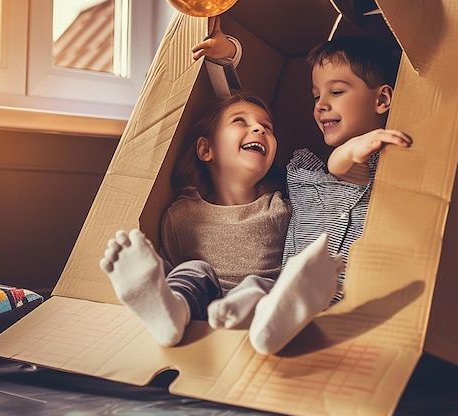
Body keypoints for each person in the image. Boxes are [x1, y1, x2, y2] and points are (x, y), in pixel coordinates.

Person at [193, 32, 412, 355]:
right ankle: (246, 314)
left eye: (336, 91)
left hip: (337, 299)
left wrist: (357, 149)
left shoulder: (381, 165)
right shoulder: (302, 173)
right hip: (283, 289)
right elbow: (236, 115)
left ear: (381, 100)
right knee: (258, 285)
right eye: (315, 96)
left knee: (289, 295)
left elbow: (345, 168)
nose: (321, 104)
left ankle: (268, 323)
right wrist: (227, 56)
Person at [100, 92, 342, 348]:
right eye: (240, 121)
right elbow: (171, 267)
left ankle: (268, 329)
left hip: (265, 306)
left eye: (267, 127)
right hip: (201, 312)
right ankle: (170, 315)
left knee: (260, 285)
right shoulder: (182, 215)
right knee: (193, 271)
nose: (259, 128)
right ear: (206, 149)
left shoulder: (280, 207)